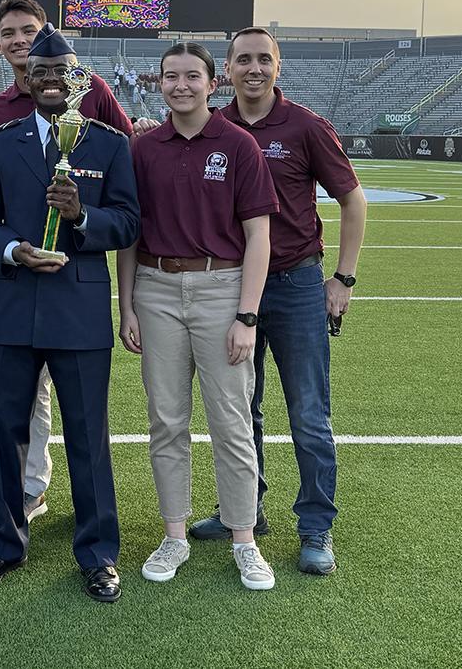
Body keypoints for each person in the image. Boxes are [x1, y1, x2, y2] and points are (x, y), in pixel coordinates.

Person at [0, 24, 140, 603]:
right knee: (5, 430)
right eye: (39, 72)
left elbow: (129, 222)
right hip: (16, 305)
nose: (50, 81)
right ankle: (5, 545)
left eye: (61, 71)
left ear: (79, 78)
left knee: (88, 435)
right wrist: (13, 251)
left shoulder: (110, 144)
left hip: (79, 309)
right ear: (25, 78)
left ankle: (97, 554)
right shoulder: (0, 141)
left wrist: (83, 218)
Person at [189, 27, 367, 575]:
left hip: (294, 285)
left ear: (278, 66)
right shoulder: (214, 125)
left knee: (309, 414)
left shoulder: (306, 127)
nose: (254, 69)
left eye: (264, 59)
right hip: (232, 286)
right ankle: (246, 508)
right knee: (240, 409)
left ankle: (316, 526)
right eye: (244, 60)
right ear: (227, 68)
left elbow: (353, 201)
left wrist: (342, 279)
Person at [118, 42, 279, 591]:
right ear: (158, 84)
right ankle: (175, 534)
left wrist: (247, 314)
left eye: (192, 76)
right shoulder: (143, 149)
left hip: (221, 288)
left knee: (231, 421)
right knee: (166, 420)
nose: (180, 85)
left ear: (214, 84)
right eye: (170, 76)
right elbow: (130, 237)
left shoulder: (237, 145)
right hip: (156, 289)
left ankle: (244, 539)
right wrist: (127, 305)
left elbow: (259, 234)